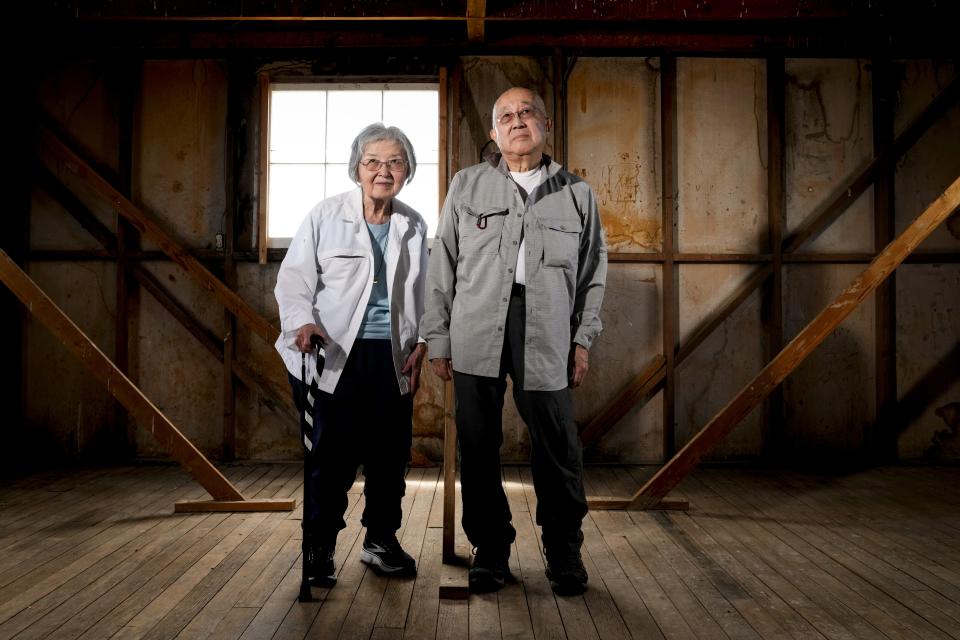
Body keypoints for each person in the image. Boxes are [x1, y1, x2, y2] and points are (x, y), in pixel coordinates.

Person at [422, 87, 608, 596]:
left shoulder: (576, 193)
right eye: (506, 115)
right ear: (493, 132)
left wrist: (583, 339)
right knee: (478, 444)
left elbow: (593, 275)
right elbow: (443, 267)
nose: (517, 121)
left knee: (557, 443)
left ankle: (564, 547)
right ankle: (491, 549)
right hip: (476, 325)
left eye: (527, 113)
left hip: (548, 328)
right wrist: (438, 337)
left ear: (545, 125)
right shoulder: (466, 186)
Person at [275, 123, 428, 584]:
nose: (384, 171)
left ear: (407, 171)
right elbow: (294, 280)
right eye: (373, 162)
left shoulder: (414, 223)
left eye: (395, 162)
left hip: (392, 356)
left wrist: (422, 342)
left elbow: (423, 292)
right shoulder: (325, 216)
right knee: (332, 457)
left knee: (389, 457)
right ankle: (319, 546)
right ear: (357, 169)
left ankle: (381, 540)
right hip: (332, 354)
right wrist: (302, 321)